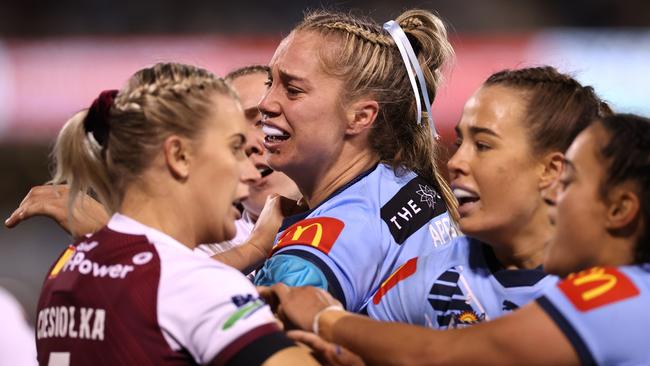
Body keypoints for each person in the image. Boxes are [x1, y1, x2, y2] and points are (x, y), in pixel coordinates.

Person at [263, 113, 650, 365]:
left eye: (568, 184)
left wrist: (326, 317)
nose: (552, 198)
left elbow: (440, 353)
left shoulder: (620, 294)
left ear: (619, 210)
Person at [34, 62, 317, 365]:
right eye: (235, 148)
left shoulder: (64, 270)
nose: (249, 171)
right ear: (179, 156)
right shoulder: (195, 283)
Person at [367, 66, 611, 328]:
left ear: (551, 170)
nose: (455, 162)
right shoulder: (429, 276)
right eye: (459, 144)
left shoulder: (618, 291)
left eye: (482, 146)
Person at [253, 8, 459, 313]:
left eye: (293, 90)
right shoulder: (402, 182)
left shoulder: (309, 260)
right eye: (271, 83)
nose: (266, 103)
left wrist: (252, 250)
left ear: (361, 117)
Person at [198, 65, 300, 257]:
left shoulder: (370, 212)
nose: (247, 145)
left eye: (262, 121)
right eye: (230, 135)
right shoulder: (204, 249)